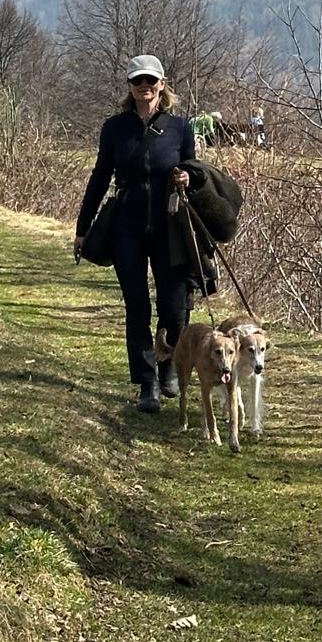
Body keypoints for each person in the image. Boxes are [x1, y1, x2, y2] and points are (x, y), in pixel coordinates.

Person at [73, 54, 195, 413]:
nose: (144, 86)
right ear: (129, 85)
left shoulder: (181, 127)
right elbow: (99, 177)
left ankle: (169, 364)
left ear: (162, 84)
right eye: (137, 80)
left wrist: (188, 177)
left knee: (174, 306)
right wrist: (82, 228)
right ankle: (147, 383)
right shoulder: (115, 127)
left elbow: (195, 170)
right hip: (127, 227)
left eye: (150, 80)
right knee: (137, 306)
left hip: (169, 227)